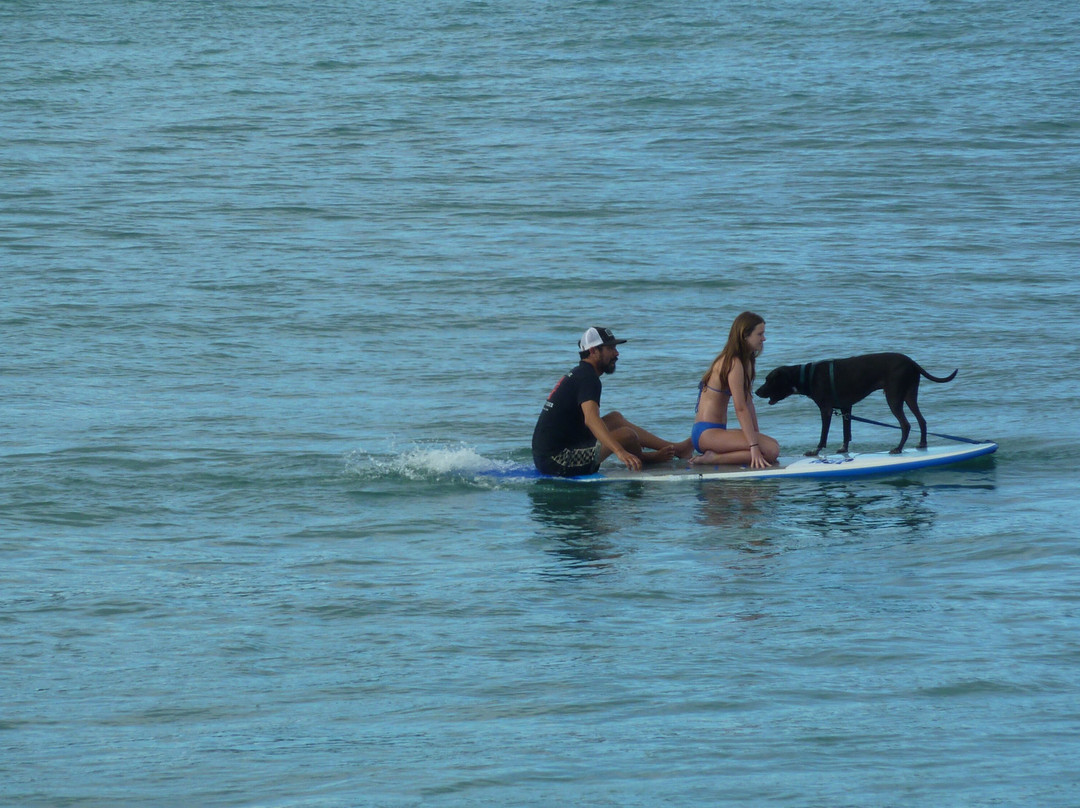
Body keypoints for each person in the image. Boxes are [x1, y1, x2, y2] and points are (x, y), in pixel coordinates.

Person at [532, 327, 693, 477]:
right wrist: (620, 451)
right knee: (627, 436)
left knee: (615, 419)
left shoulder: (581, 373)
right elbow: (591, 419)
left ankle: (678, 450)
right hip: (557, 461)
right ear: (594, 351)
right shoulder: (588, 378)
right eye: (610, 348)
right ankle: (644, 459)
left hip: (554, 452)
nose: (617, 353)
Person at [691, 311, 780, 469]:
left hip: (716, 432)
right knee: (771, 451)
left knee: (772, 446)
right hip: (706, 433)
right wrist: (754, 446)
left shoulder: (746, 361)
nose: (764, 338)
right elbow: (740, 408)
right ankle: (713, 459)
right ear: (745, 335)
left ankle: (718, 455)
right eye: (760, 334)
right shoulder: (733, 363)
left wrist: (757, 436)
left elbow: (748, 403)